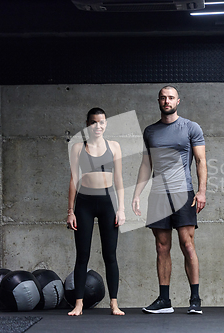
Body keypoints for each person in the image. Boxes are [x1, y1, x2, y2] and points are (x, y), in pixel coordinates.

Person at [132, 85, 207, 315]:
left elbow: (200, 161)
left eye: (171, 98)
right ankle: (164, 300)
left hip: (182, 193)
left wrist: (202, 191)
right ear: (158, 101)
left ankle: (195, 299)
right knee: (161, 247)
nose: (167, 101)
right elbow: (146, 165)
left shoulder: (190, 127)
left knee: (187, 245)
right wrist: (137, 194)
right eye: (163, 98)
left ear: (178, 101)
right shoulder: (150, 131)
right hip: (158, 195)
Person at [67, 107, 125, 316]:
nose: (97, 126)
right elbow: (74, 179)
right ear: (87, 124)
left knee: (110, 255)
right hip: (84, 203)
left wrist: (121, 209)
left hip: (108, 203)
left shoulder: (115, 146)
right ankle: (79, 303)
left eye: (101, 122)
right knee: (82, 255)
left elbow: (119, 179)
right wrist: (70, 211)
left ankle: (114, 303)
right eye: (93, 122)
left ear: (106, 123)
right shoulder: (77, 147)